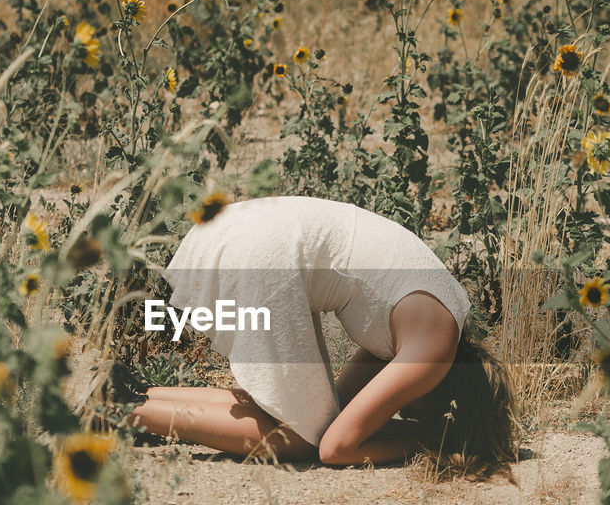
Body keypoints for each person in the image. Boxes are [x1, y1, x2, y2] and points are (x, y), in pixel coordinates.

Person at [128, 196, 514, 467]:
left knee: (297, 411)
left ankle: (128, 392)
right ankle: (124, 413)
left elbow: (336, 411)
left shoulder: (437, 315)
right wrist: (427, 443)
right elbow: (334, 447)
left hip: (240, 228)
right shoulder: (431, 353)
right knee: (299, 439)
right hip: (266, 256)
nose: (404, 411)